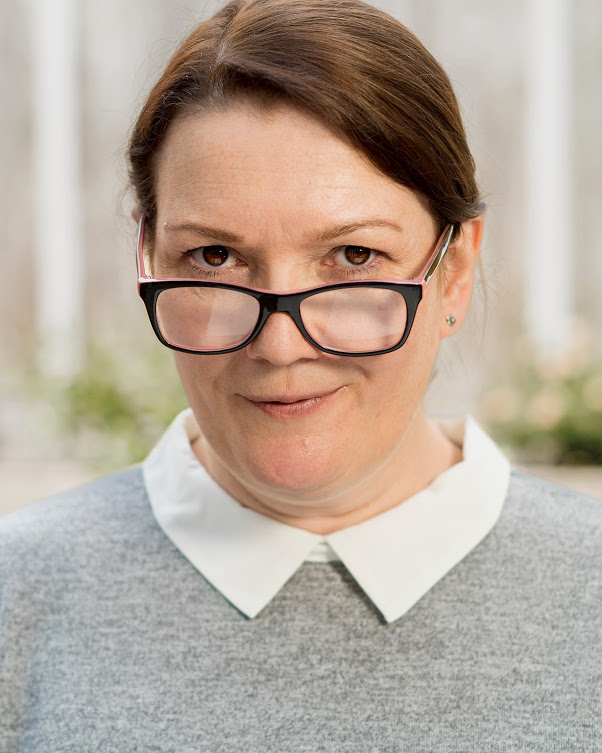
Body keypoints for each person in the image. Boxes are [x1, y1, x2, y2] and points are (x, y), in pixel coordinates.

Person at [1, 0, 599, 750]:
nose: (280, 346)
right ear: (147, 258)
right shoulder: (18, 592)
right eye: (215, 258)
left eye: (354, 257)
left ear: (455, 273)